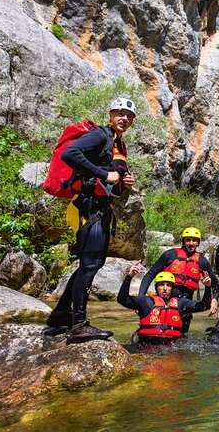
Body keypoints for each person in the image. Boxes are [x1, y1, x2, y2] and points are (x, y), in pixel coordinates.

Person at [44, 97, 137, 343]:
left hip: (99, 207)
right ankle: (79, 325)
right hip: (87, 207)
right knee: (90, 264)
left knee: (90, 264)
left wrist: (123, 182)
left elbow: (113, 180)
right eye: (120, 113)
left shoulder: (118, 145)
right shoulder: (100, 135)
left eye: (129, 116)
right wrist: (104, 174)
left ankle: (60, 317)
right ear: (111, 113)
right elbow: (69, 153)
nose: (124, 119)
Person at [138, 227, 218, 332]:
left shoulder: (202, 262)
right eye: (188, 240)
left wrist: (215, 299)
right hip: (163, 303)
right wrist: (140, 298)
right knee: (155, 331)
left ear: (198, 243)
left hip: (184, 307)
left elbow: (215, 284)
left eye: (194, 240)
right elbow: (150, 275)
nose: (191, 243)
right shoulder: (170, 255)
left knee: (179, 339)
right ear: (183, 241)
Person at [118, 265, 210, 344]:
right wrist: (129, 277)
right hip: (148, 346)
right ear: (156, 287)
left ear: (172, 288)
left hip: (171, 347)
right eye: (161, 285)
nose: (165, 288)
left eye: (168, 285)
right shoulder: (146, 301)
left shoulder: (181, 303)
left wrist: (207, 287)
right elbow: (122, 299)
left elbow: (204, 306)